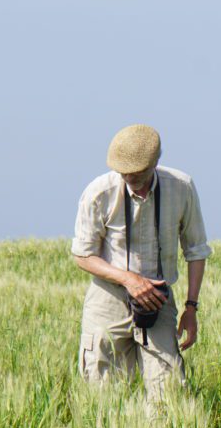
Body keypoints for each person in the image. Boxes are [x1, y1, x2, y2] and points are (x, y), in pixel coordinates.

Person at [71, 124, 211, 405]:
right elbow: (82, 255)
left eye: (138, 173)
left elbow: (196, 250)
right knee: (101, 396)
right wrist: (128, 280)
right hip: (107, 300)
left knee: (169, 393)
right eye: (124, 173)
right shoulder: (99, 192)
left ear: (155, 162)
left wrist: (191, 307)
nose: (130, 178)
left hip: (158, 301)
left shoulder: (181, 187)